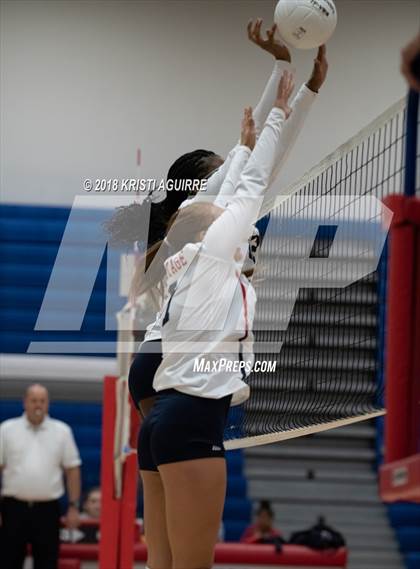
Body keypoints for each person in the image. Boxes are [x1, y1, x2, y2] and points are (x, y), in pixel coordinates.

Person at [0, 384, 81, 569]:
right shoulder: (6, 429)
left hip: (48, 511)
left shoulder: (62, 431)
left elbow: (72, 470)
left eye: (42, 401)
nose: (38, 405)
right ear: (25, 402)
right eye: (34, 400)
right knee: (7, 561)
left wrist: (73, 507)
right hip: (13, 509)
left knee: (47, 562)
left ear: (48, 404)